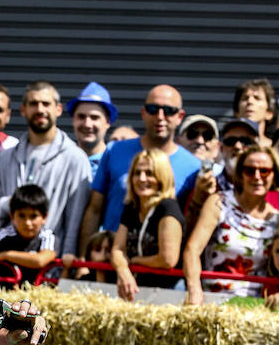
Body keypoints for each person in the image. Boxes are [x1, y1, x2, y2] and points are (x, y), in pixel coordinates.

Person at [79, 85, 200, 258]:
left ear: (180, 116)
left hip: (159, 269)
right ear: (143, 113)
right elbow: (95, 209)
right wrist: (84, 259)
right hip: (109, 261)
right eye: (153, 109)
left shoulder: (193, 167)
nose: (160, 117)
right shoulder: (115, 151)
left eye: (168, 111)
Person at [0, 81, 92, 262]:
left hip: (51, 266)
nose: (40, 110)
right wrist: (8, 204)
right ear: (23, 110)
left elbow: (76, 218)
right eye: (33, 104)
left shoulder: (75, 158)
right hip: (7, 267)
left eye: (46, 104)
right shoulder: (5, 158)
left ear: (58, 109)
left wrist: (68, 260)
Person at [183, 145, 279, 303]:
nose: (257, 177)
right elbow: (192, 249)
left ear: (274, 175)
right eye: (250, 170)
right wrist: (194, 289)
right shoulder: (219, 202)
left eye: (264, 171)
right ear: (240, 174)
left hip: (255, 306)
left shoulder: (278, 219)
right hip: (212, 299)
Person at [110, 149, 184, 301]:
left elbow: (167, 259)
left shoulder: (168, 207)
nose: (142, 179)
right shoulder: (131, 208)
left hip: (167, 293)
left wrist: (135, 261)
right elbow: (117, 249)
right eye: (137, 173)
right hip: (136, 289)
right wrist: (123, 270)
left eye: (149, 173)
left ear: (162, 177)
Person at [0, 183, 57, 285]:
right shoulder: (4, 235)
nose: (27, 223)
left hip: (38, 295)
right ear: (12, 216)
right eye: (21, 216)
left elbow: (40, 260)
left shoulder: (47, 237)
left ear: (44, 217)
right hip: (4, 296)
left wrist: (6, 255)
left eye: (33, 216)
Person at [66, 82, 116, 176]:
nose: (87, 124)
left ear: (108, 122)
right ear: (73, 120)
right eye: (81, 117)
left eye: (94, 117)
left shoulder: (117, 165)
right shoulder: (62, 163)